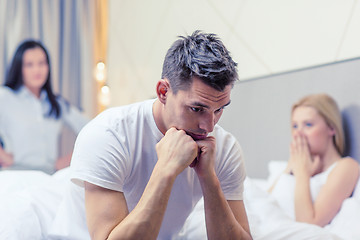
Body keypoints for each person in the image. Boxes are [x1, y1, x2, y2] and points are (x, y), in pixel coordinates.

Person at [48, 31, 252, 239]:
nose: (208, 126)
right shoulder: (108, 134)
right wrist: (165, 170)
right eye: (196, 109)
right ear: (163, 92)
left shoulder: (225, 148)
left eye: (218, 110)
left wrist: (209, 178)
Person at [268, 93, 360, 227]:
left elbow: (309, 224)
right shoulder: (295, 165)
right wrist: (291, 166)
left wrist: (302, 174)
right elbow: (263, 202)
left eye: (308, 124)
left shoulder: (345, 166)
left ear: (331, 128)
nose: (298, 134)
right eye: (295, 126)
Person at [0, 40, 89, 174]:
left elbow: (92, 128)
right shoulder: (5, 96)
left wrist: (69, 159)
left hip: (49, 175)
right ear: (19, 68)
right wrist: (3, 155)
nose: (37, 70)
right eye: (29, 65)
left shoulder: (56, 103)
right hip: (16, 174)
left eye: (41, 63)